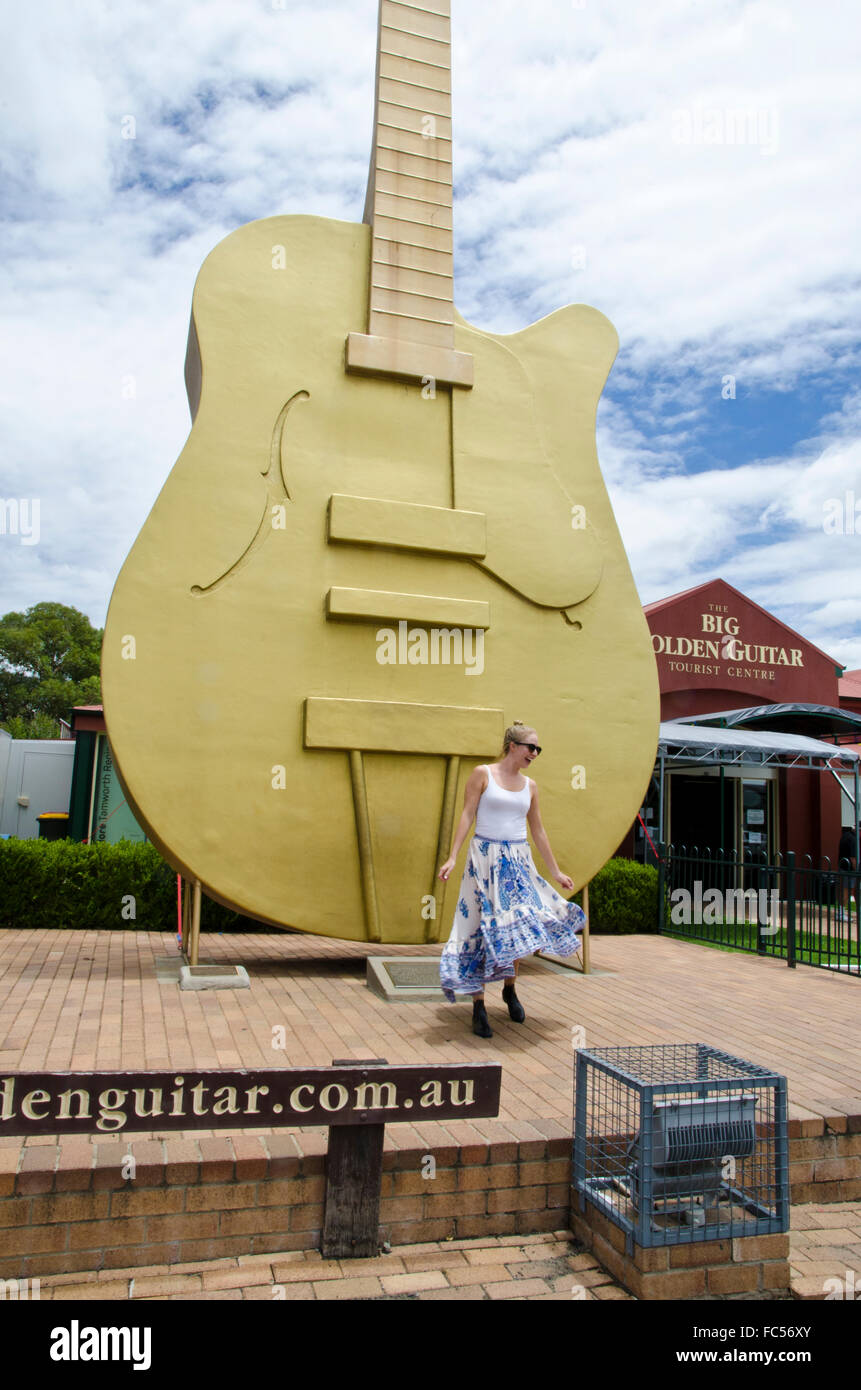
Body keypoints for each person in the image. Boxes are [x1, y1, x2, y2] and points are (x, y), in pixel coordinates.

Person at [437, 721, 585, 1037]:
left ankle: (510, 988)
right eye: (531, 747)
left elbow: (538, 830)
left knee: (521, 926)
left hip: (518, 862)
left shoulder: (530, 786)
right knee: (479, 926)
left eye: (538, 749)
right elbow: (467, 815)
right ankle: (478, 1006)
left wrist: (556, 871)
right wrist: (452, 856)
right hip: (483, 859)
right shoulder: (482, 774)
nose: (535, 753)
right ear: (512, 746)